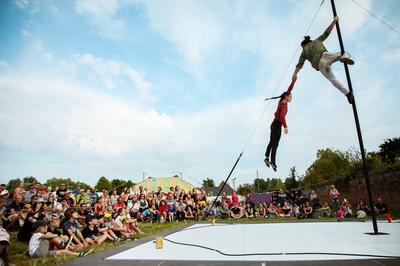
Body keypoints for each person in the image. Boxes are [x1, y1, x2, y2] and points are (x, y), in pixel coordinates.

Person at [292, 16, 355, 104]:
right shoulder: (316, 41)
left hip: (320, 66)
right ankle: (342, 57)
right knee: (345, 52)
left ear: (304, 45)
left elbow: (299, 65)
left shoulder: (304, 52)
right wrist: (335, 21)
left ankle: (348, 94)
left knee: (333, 79)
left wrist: (295, 74)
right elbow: (327, 32)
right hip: (324, 55)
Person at [264, 80, 295, 171]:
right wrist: (285, 126)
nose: (291, 98)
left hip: (273, 124)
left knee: (271, 141)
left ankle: (266, 157)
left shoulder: (281, 100)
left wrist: (294, 81)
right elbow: (281, 116)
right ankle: (273, 162)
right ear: (286, 97)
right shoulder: (284, 106)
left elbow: (289, 89)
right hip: (277, 126)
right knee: (275, 144)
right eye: (290, 96)